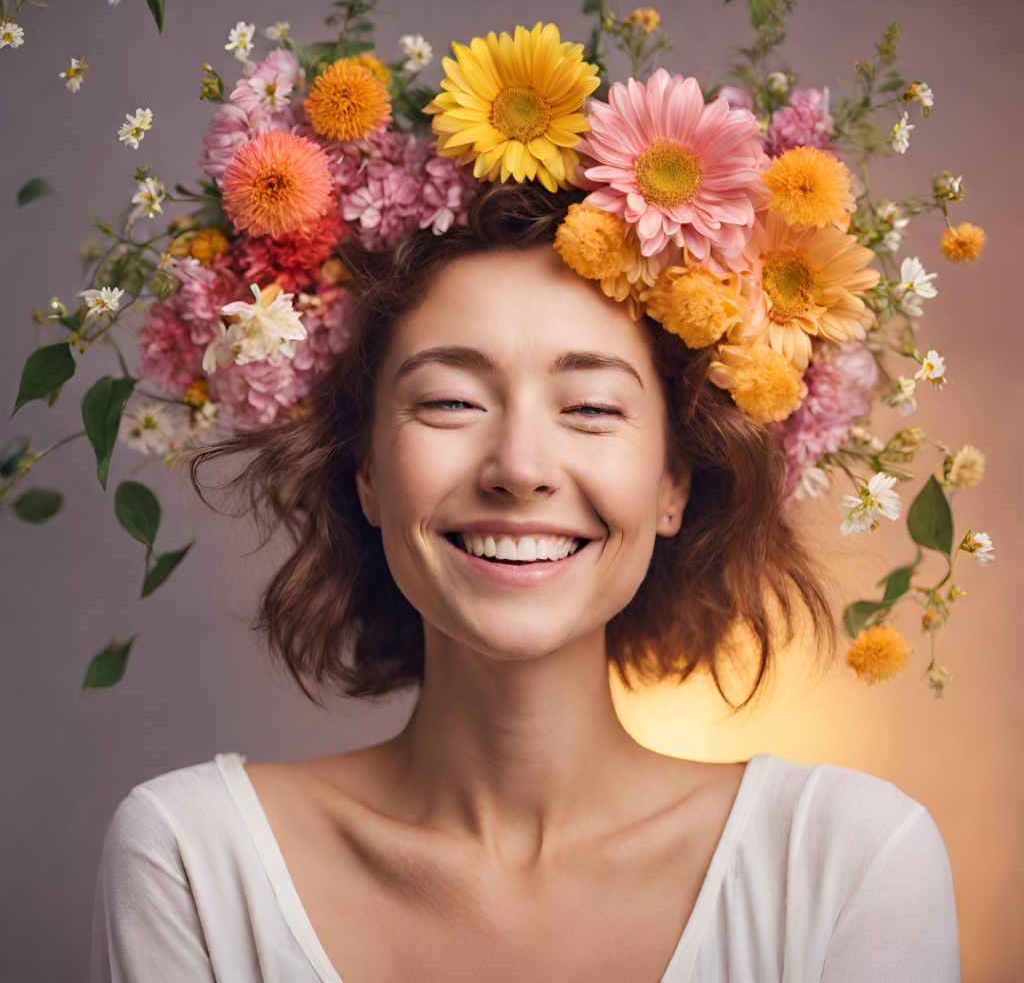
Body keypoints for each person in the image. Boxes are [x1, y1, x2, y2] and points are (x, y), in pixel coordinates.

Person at [90, 185, 961, 982]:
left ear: (673, 484)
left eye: (589, 407)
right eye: (449, 402)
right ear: (364, 472)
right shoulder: (194, 859)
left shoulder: (849, 860)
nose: (519, 468)